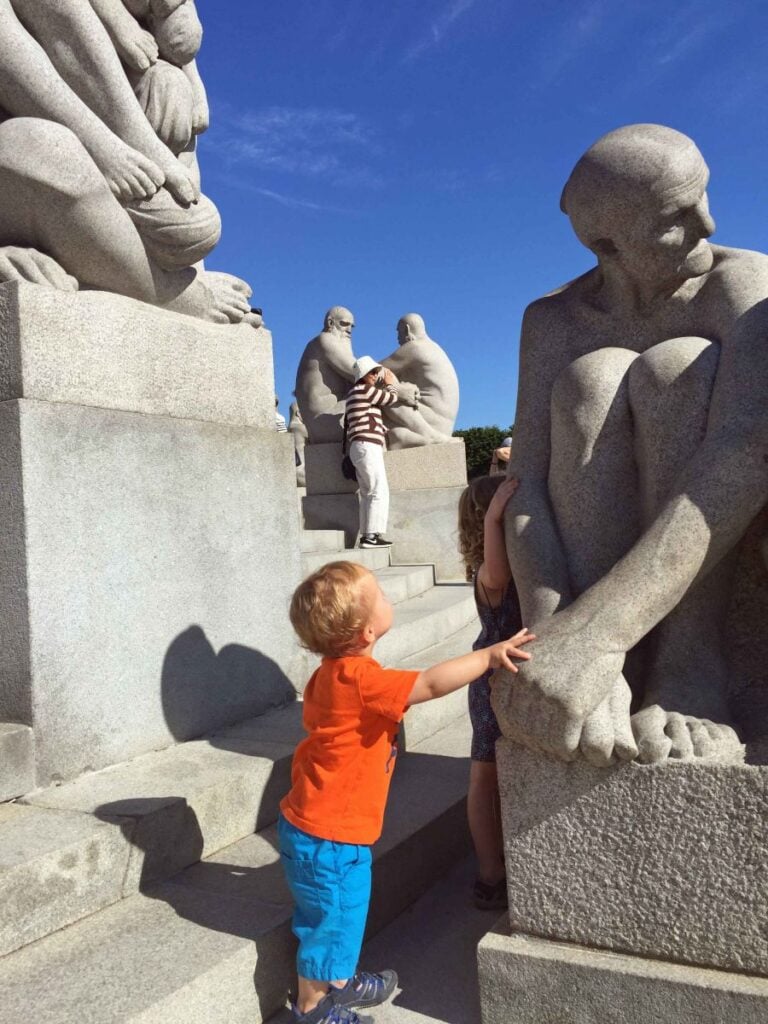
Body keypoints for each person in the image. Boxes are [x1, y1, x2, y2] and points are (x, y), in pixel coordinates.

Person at [494, 123, 758, 767]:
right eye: (676, 215)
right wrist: (552, 638)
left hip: (731, 576)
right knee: (592, 379)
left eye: (703, 196)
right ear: (607, 244)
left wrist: (599, 632)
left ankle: (687, 664)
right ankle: (621, 668)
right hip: (585, 604)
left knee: (679, 366)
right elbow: (522, 489)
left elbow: (746, 452)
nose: (709, 222)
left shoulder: (742, 285)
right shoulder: (552, 320)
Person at [280, 560, 534, 1023]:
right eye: (380, 593)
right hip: (329, 835)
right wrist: (488, 656)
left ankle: (341, 979)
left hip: (329, 827)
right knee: (330, 920)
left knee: (344, 913)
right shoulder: (361, 681)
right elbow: (430, 683)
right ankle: (313, 1008)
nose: (386, 596)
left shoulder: (330, 673)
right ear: (366, 632)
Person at [458, 474, 522, 909]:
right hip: (491, 684)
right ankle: (488, 873)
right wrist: (498, 514)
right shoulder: (489, 573)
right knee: (484, 776)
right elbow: (498, 572)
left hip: (506, 680)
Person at [345, 355, 415, 549]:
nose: (376, 375)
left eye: (376, 372)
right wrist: (391, 383)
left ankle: (369, 534)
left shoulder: (355, 392)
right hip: (367, 445)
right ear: (363, 375)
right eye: (373, 372)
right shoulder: (365, 390)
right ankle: (370, 537)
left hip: (360, 446)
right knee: (378, 491)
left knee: (369, 492)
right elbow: (391, 398)